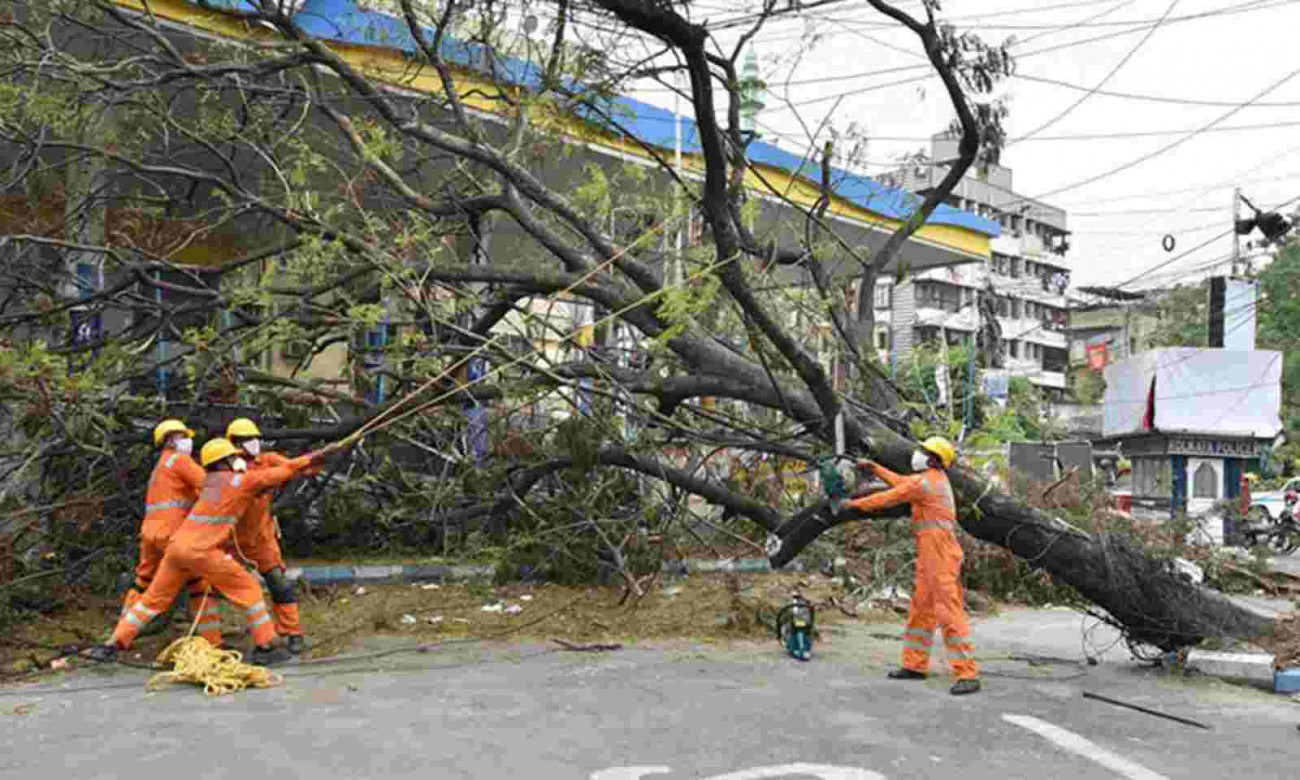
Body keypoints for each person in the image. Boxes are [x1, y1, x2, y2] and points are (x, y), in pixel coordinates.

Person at [87, 439, 336, 666]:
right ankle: (267, 645)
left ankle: (112, 645)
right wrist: (316, 456)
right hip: (201, 551)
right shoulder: (239, 481)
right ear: (225, 460)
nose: (238, 458)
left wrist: (312, 460)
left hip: (176, 549)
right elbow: (282, 473)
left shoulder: (210, 483)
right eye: (233, 455)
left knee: (152, 600)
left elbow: (268, 477)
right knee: (248, 588)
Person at [840, 436, 981, 696]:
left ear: (935, 460)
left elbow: (889, 496)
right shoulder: (927, 480)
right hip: (931, 553)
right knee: (921, 610)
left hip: (941, 552)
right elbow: (900, 482)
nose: (918, 454)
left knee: (948, 612)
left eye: (924, 451)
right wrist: (874, 468)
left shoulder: (927, 483)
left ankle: (967, 673)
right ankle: (914, 665)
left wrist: (853, 505)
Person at [117, 419, 224, 648]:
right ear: (169, 440)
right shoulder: (179, 460)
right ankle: (214, 643)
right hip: (171, 533)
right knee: (197, 584)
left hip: (150, 533)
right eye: (182, 436)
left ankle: (121, 633)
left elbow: (185, 494)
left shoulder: (161, 466)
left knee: (142, 583)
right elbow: (209, 486)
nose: (187, 441)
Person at [226, 417, 308, 654]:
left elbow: (295, 467)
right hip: (229, 541)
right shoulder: (224, 467)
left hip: (261, 539)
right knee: (206, 585)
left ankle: (292, 633)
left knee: (279, 584)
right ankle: (208, 636)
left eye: (254, 438)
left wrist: (319, 458)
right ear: (234, 444)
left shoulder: (268, 461)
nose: (252, 443)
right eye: (245, 440)